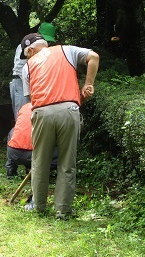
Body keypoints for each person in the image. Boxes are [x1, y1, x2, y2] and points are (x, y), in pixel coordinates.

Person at [21, 32, 99, 219]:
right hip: (68, 110)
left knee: (40, 161)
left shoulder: (27, 67)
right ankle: (63, 211)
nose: (28, 57)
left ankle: (38, 207)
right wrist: (88, 84)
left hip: (41, 112)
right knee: (67, 162)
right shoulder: (67, 50)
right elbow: (93, 57)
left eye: (27, 54)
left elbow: (31, 99)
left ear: (30, 50)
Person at [9, 22, 56, 119]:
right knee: (22, 117)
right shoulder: (25, 47)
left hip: (34, 85)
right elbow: (21, 69)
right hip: (20, 84)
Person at [6, 102, 58, 179]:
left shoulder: (25, 106)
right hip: (37, 155)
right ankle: (42, 170)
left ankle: (11, 168)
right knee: (60, 143)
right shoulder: (52, 109)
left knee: (14, 131)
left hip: (15, 153)